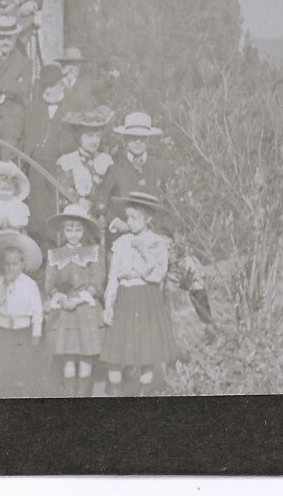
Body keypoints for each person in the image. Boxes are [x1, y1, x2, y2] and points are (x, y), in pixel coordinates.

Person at [101, 192, 181, 396]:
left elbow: (157, 275)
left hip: (147, 297)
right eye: (128, 217)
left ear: (148, 219)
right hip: (125, 297)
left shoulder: (157, 243)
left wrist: (144, 251)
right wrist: (109, 304)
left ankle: (143, 393)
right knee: (115, 352)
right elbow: (113, 277)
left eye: (135, 218)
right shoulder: (121, 243)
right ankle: (116, 393)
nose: (130, 222)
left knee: (147, 351)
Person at [41, 204, 106, 397]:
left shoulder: (94, 251)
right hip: (64, 310)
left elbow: (97, 282)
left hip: (85, 307)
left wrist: (78, 300)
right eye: (69, 229)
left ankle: (83, 394)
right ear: (62, 230)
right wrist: (61, 299)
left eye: (78, 229)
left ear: (84, 230)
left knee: (85, 354)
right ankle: (71, 395)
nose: (74, 233)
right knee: (68, 355)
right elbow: (49, 284)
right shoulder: (54, 254)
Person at [0, 231, 45, 398]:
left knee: (22, 366)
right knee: (2, 366)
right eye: (7, 265)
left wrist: (36, 332)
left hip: (23, 330)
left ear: (22, 265)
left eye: (14, 264)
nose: (10, 268)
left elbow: (37, 310)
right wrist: (4, 285)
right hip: (2, 329)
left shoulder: (29, 284)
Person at [20, 64, 72, 242]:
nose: (47, 91)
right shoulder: (34, 108)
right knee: (37, 207)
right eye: (44, 86)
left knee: (55, 206)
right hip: (36, 162)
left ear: (61, 85)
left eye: (51, 86)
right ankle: (40, 246)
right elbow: (26, 136)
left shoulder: (71, 108)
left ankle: (56, 243)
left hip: (59, 162)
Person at [91, 112, 173, 224]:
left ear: (148, 139)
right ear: (125, 138)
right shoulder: (115, 169)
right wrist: (115, 222)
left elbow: (169, 204)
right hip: (123, 232)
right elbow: (100, 204)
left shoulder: (159, 167)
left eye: (142, 137)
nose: (138, 141)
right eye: (133, 137)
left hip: (154, 232)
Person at [0, 14, 31, 162]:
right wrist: (1, 97)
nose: (5, 42)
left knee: (9, 163)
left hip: (12, 121)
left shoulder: (24, 62)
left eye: (9, 38)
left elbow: (24, 88)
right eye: (2, 38)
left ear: (16, 38)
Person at [56, 106, 115, 207]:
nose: (94, 141)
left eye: (98, 136)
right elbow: (64, 193)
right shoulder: (67, 161)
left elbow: (111, 192)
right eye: (89, 136)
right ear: (78, 136)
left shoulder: (106, 160)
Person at [0, 160, 31, 233]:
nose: (6, 193)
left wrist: (9, 220)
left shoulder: (17, 204)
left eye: (9, 190)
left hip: (13, 234)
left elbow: (24, 220)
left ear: (15, 190)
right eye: (2, 189)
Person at [56, 47, 99, 113]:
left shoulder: (87, 83)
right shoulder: (54, 84)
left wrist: (110, 81)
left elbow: (102, 87)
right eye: (68, 64)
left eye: (75, 64)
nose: (71, 67)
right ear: (62, 66)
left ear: (80, 66)